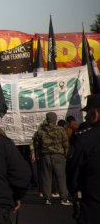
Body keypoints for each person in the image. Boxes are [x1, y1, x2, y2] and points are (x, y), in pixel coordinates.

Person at [67, 94, 100, 224]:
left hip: (93, 201)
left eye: (87, 113)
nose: (85, 117)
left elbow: (73, 171)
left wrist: (75, 191)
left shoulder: (84, 139)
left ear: (95, 114)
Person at [33, 112, 72, 206]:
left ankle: (47, 199)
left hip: (45, 156)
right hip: (58, 156)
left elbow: (37, 144)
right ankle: (64, 198)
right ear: (55, 119)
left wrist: (38, 154)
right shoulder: (61, 129)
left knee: (46, 178)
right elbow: (65, 143)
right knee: (61, 177)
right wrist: (66, 155)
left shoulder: (41, 130)